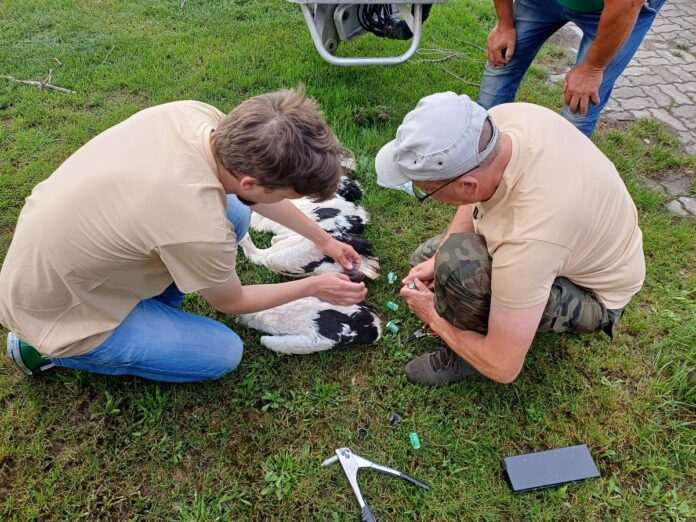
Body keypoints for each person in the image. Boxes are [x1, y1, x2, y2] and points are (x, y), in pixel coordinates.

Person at [1, 88, 368, 382]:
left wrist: (324, 240)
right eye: (288, 194)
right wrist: (313, 287)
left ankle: (151, 308)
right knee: (222, 353)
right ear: (251, 182)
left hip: (61, 256)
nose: (290, 201)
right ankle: (48, 349)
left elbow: (247, 196)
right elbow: (232, 302)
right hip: (56, 309)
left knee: (235, 209)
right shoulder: (197, 225)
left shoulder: (195, 116)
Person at [375, 92, 645, 385]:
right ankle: (475, 313)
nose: (423, 193)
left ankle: (468, 356)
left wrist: (431, 315)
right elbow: (474, 196)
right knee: (433, 258)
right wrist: (439, 255)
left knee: (460, 272)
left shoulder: (530, 238)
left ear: (466, 185)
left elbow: (503, 368)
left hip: (593, 293)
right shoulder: (501, 123)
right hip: (568, 241)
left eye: (423, 189)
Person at [478, 0, 666, 137]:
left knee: (580, 106)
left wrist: (592, 68)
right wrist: (504, 25)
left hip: (622, 8)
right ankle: (481, 152)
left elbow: (626, 4)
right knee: (501, 64)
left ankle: (563, 181)